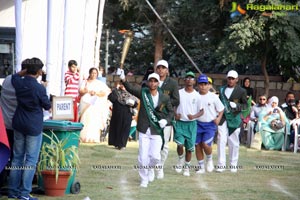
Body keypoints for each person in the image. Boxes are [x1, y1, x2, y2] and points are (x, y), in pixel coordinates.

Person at [120, 71, 174, 188]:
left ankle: (150, 169)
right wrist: (123, 79)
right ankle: (144, 179)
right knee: (142, 156)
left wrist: (166, 121)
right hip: (144, 129)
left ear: (158, 83)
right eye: (151, 81)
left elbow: (171, 112)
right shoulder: (143, 92)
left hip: (156, 130)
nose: (153, 83)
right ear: (148, 82)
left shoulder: (164, 97)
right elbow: (131, 88)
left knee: (156, 157)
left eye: (155, 81)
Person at [8, 58, 51, 200]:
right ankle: (24, 193)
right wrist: (44, 86)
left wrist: (25, 71)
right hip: (33, 125)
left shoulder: (19, 82)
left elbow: (14, 76)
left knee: (17, 158)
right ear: (39, 71)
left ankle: (13, 191)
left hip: (19, 123)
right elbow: (47, 106)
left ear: (26, 70)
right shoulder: (39, 88)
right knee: (31, 160)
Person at [0, 60, 28, 189]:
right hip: (17, 125)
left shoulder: (7, 80)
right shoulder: (23, 85)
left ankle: (2, 180)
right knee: (17, 156)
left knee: (3, 154)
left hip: (3, 123)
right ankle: (14, 184)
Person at [217, 70, 247, 173]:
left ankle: (233, 165)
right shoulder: (221, 89)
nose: (230, 80)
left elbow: (245, 106)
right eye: (229, 78)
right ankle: (221, 165)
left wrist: (237, 106)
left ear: (237, 80)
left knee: (234, 142)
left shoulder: (241, 91)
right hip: (223, 118)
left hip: (235, 119)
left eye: (233, 78)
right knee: (221, 140)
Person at [174, 71, 203, 177]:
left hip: (191, 124)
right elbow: (173, 105)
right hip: (180, 123)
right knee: (180, 144)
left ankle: (186, 167)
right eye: (187, 78)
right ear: (184, 80)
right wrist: (175, 114)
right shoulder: (179, 93)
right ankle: (180, 160)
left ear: (194, 81)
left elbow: (202, 111)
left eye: (191, 78)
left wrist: (194, 116)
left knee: (189, 148)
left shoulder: (197, 95)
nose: (189, 80)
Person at [155, 59, 179, 179]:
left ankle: (159, 167)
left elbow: (176, 100)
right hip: (152, 116)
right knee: (152, 144)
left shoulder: (172, 83)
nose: (161, 70)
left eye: (163, 68)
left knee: (164, 144)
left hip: (166, 117)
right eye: (159, 67)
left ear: (167, 70)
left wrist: (163, 103)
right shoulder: (151, 80)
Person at [195, 74, 224, 174]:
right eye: (201, 84)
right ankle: (201, 166)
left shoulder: (213, 97)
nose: (203, 86)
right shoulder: (195, 96)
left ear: (209, 85)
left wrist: (218, 118)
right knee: (197, 145)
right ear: (197, 85)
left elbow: (221, 109)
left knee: (206, 144)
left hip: (210, 125)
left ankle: (209, 159)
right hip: (197, 123)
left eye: (205, 84)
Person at [79, 67, 111, 143]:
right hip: (85, 104)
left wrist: (95, 93)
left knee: (93, 120)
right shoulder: (85, 82)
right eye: (92, 73)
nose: (93, 74)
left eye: (95, 73)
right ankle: (83, 137)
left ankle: (93, 138)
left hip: (95, 105)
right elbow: (80, 92)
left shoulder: (99, 83)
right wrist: (86, 91)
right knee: (85, 119)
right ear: (89, 73)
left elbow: (105, 92)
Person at [108, 81, 138, 150]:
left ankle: (122, 144)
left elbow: (135, 104)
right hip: (117, 113)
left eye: (124, 85)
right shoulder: (116, 92)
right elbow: (111, 98)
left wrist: (132, 103)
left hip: (127, 113)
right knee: (117, 127)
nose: (123, 86)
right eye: (121, 84)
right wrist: (115, 90)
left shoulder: (131, 93)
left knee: (125, 128)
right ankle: (116, 143)